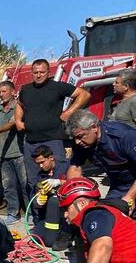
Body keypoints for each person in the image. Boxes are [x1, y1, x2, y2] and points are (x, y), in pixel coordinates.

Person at [66, 109, 136, 236]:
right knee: (108, 215)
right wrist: (75, 197)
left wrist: (130, 197)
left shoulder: (123, 136)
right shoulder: (81, 143)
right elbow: (75, 168)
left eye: (81, 136)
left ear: (94, 128)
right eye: (74, 138)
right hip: (120, 179)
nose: (77, 142)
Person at [15, 58, 90, 197]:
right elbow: (19, 104)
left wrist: (69, 112)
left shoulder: (57, 87)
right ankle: (37, 216)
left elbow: (84, 94)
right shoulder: (26, 89)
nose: (38, 75)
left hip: (53, 140)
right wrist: (18, 120)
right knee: (33, 181)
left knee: (57, 178)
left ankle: (59, 212)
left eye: (42, 72)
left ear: (48, 72)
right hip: (31, 142)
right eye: (35, 72)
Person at [0, 81, 27, 224]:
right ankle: (13, 212)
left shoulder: (18, 107)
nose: (1, 94)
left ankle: (30, 213)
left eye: (4, 91)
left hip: (19, 153)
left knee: (25, 185)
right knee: (8, 186)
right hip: (4, 155)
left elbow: (12, 124)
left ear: (12, 91)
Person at [30, 145, 70, 250]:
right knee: (37, 238)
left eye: (43, 162)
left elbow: (79, 182)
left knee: (54, 200)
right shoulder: (41, 175)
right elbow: (37, 198)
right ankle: (51, 232)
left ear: (51, 157)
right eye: (38, 163)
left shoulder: (65, 166)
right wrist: (39, 202)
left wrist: (59, 182)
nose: (41, 166)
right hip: (51, 214)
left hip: (67, 211)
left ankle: (69, 232)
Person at [110, 68, 136, 138]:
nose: (113, 84)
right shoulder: (124, 100)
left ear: (126, 87)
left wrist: (135, 147)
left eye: (117, 83)